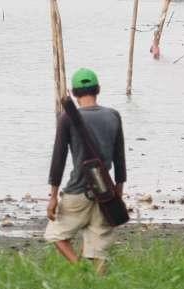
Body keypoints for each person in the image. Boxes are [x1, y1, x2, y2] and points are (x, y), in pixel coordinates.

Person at [44, 68, 126, 274]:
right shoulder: (113, 115)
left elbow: (58, 160)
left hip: (77, 191)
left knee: (56, 234)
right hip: (105, 192)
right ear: (98, 89)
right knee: (98, 251)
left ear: (73, 93)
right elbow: (119, 159)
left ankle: (80, 269)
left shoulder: (66, 118)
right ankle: (99, 288)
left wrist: (53, 197)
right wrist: (118, 191)